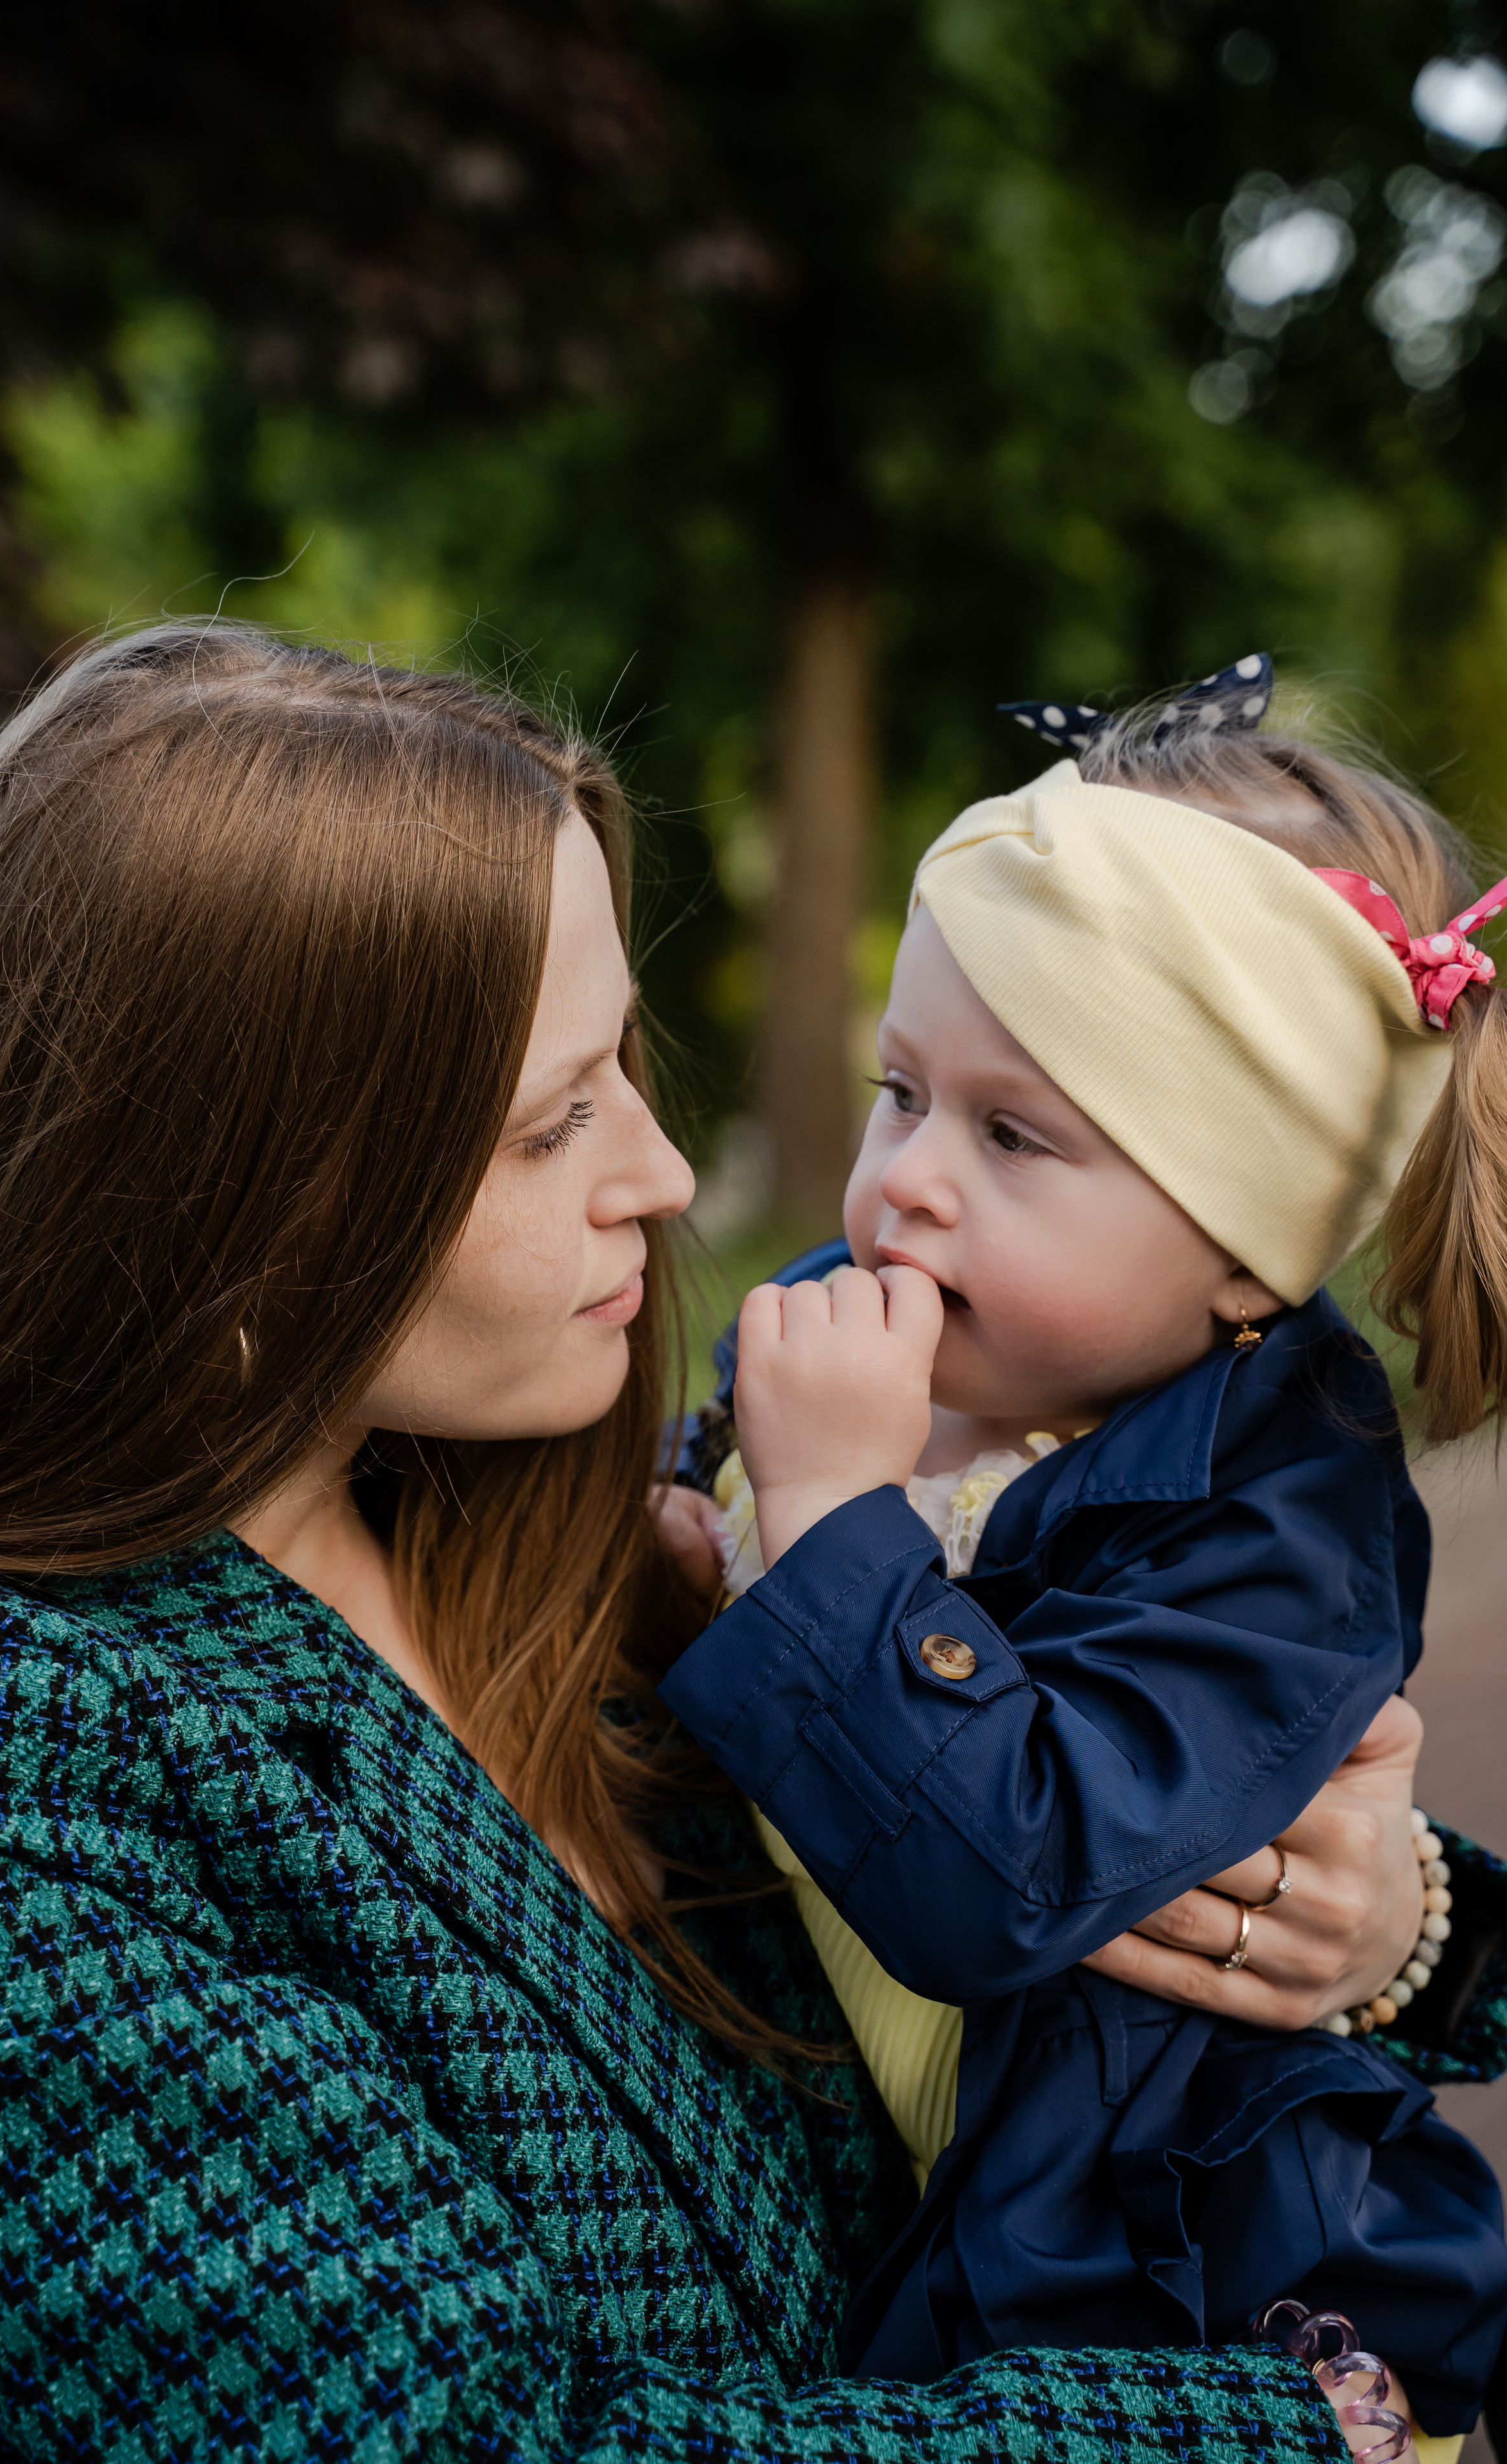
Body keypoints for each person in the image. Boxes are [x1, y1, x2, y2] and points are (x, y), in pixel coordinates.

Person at [0, 625, 1497, 2464]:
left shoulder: (573, 1536)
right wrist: (1284, 2440)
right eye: (553, 1122)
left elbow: (1017, 1770)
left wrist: (1385, 1923)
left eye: (623, 1068)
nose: (657, 1169)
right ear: (236, 1198)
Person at [660, 661, 1507, 2451]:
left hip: (1176, 2309)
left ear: (1245, 1250)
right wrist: (677, 1537)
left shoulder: (1284, 1523)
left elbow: (1009, 1878)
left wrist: (827, 1532)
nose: (902, 1186)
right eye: (901, 1091)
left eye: (1015, 1135)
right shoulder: (841, 1325)